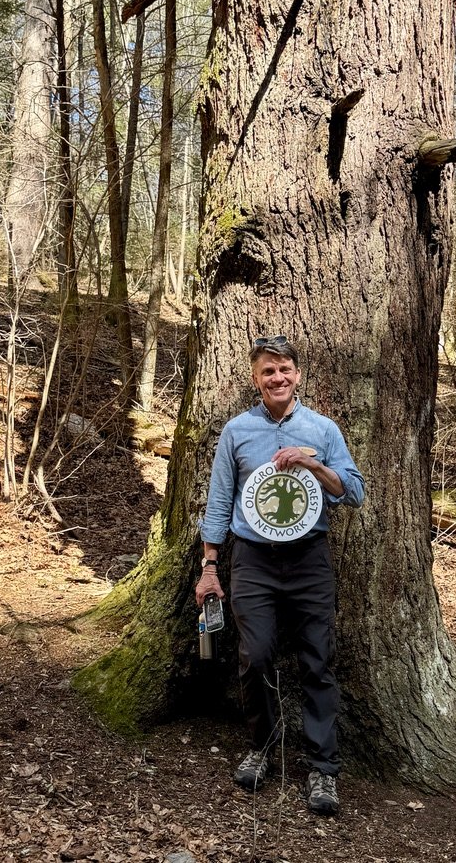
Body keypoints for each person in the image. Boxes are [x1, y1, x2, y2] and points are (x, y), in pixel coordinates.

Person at [195, 336, 365, 815]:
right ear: (256, 379)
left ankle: (323, 769)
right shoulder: (237, 431)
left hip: (310, 560)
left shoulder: (323, 429)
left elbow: (354, 492)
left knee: (318, 660)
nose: (277, 378)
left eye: (285, 369)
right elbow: (219, 502)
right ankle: (262, 747)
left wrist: (312, 463)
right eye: (268, 371)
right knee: (255, 656)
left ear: (297, 374)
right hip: (253, 560)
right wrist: (210, 567)